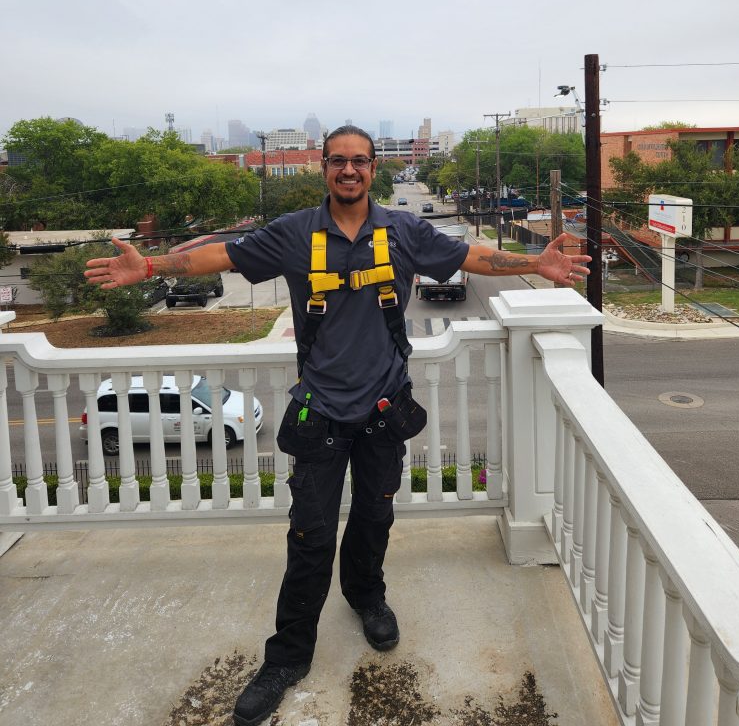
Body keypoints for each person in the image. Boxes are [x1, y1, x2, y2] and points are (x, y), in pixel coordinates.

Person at [85, 125, 590, 726]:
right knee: (311, 535)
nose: (349, 171)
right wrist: (151, 267)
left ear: (374, 169)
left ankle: (366, 596)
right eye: (338, 161)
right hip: (320, 412)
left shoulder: (402, 231)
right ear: (324, 168)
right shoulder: (296, 232)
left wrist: (537, 262)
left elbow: (472, 257)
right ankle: (287, 656)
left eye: (359, 161)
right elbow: (221, 254)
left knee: (376, 517)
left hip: (382, 411)